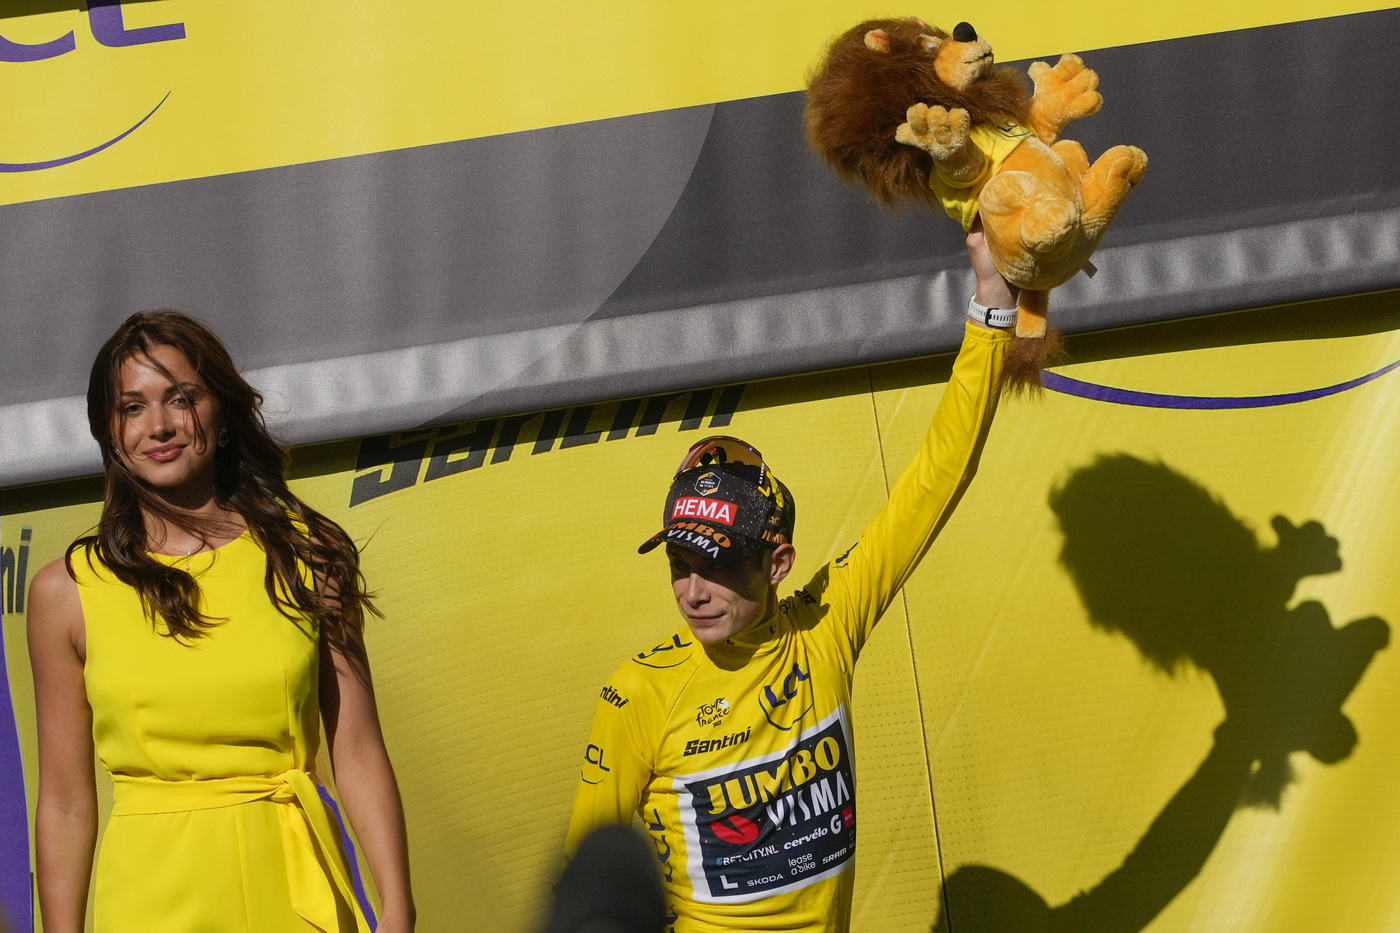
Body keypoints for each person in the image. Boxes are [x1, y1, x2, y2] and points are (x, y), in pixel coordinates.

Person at [563, 227, 1017, 933]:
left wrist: (992, 303)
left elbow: (935, 480)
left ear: (778, 563)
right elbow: (585, 895)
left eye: (717, 565)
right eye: (679, 565)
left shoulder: (825, 625)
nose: (693, 591)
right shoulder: (637, 695)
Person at [25, 312, 415, 933]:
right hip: (150, 903)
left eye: (182, 398)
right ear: (109, 431)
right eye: (132, 407)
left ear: (223, 413)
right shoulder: (65, 593)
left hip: (297, 893)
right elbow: (66, 803)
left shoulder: (308, 557)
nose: (159, 426)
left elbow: (358, 749)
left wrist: (397, 908)